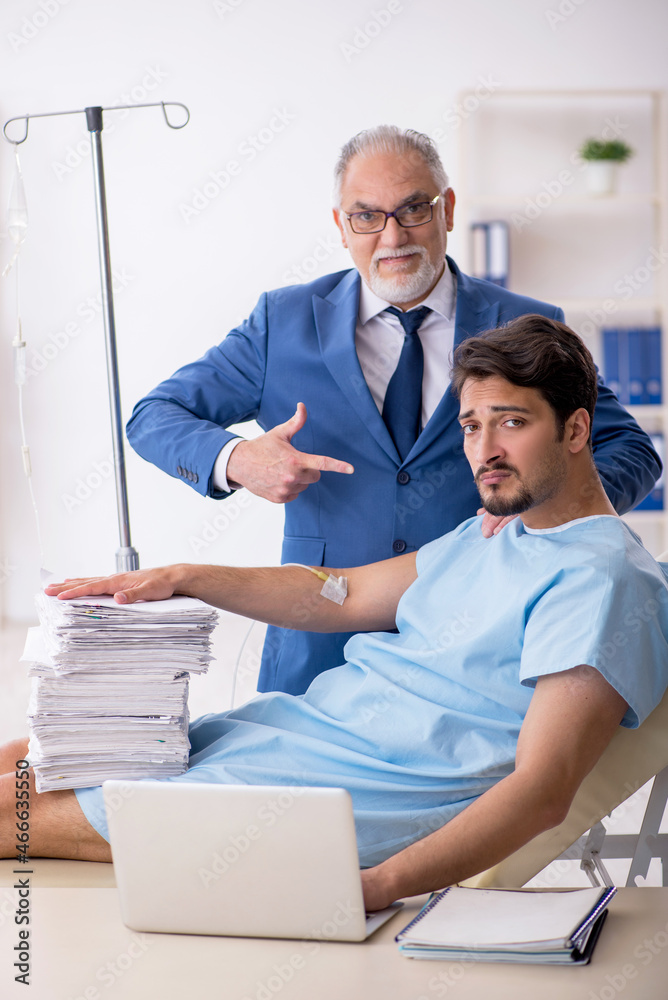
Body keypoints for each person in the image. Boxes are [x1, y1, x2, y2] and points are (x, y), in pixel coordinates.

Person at [3, 316, 667, 910]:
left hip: (343, 795)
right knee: (35, 751)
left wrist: (376, 886)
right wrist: (186, 577)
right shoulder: (494, 533)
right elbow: (340, 592)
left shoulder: (599, 578)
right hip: (295, 735)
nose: (484, 450)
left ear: (576, 429)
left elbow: (543, 790)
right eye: (471, 426)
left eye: (512, 422)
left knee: (15, 810)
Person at [124, 126, 661, 696]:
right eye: (367, 216)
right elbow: (155, 414)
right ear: (341, 226)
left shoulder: (527, 324)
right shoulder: (282, 322)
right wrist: (236, 460)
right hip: (317, 647)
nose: (393, 235)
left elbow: (630, 449)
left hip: (476, 641)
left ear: (447, 209)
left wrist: (543, 506)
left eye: (413, 209)